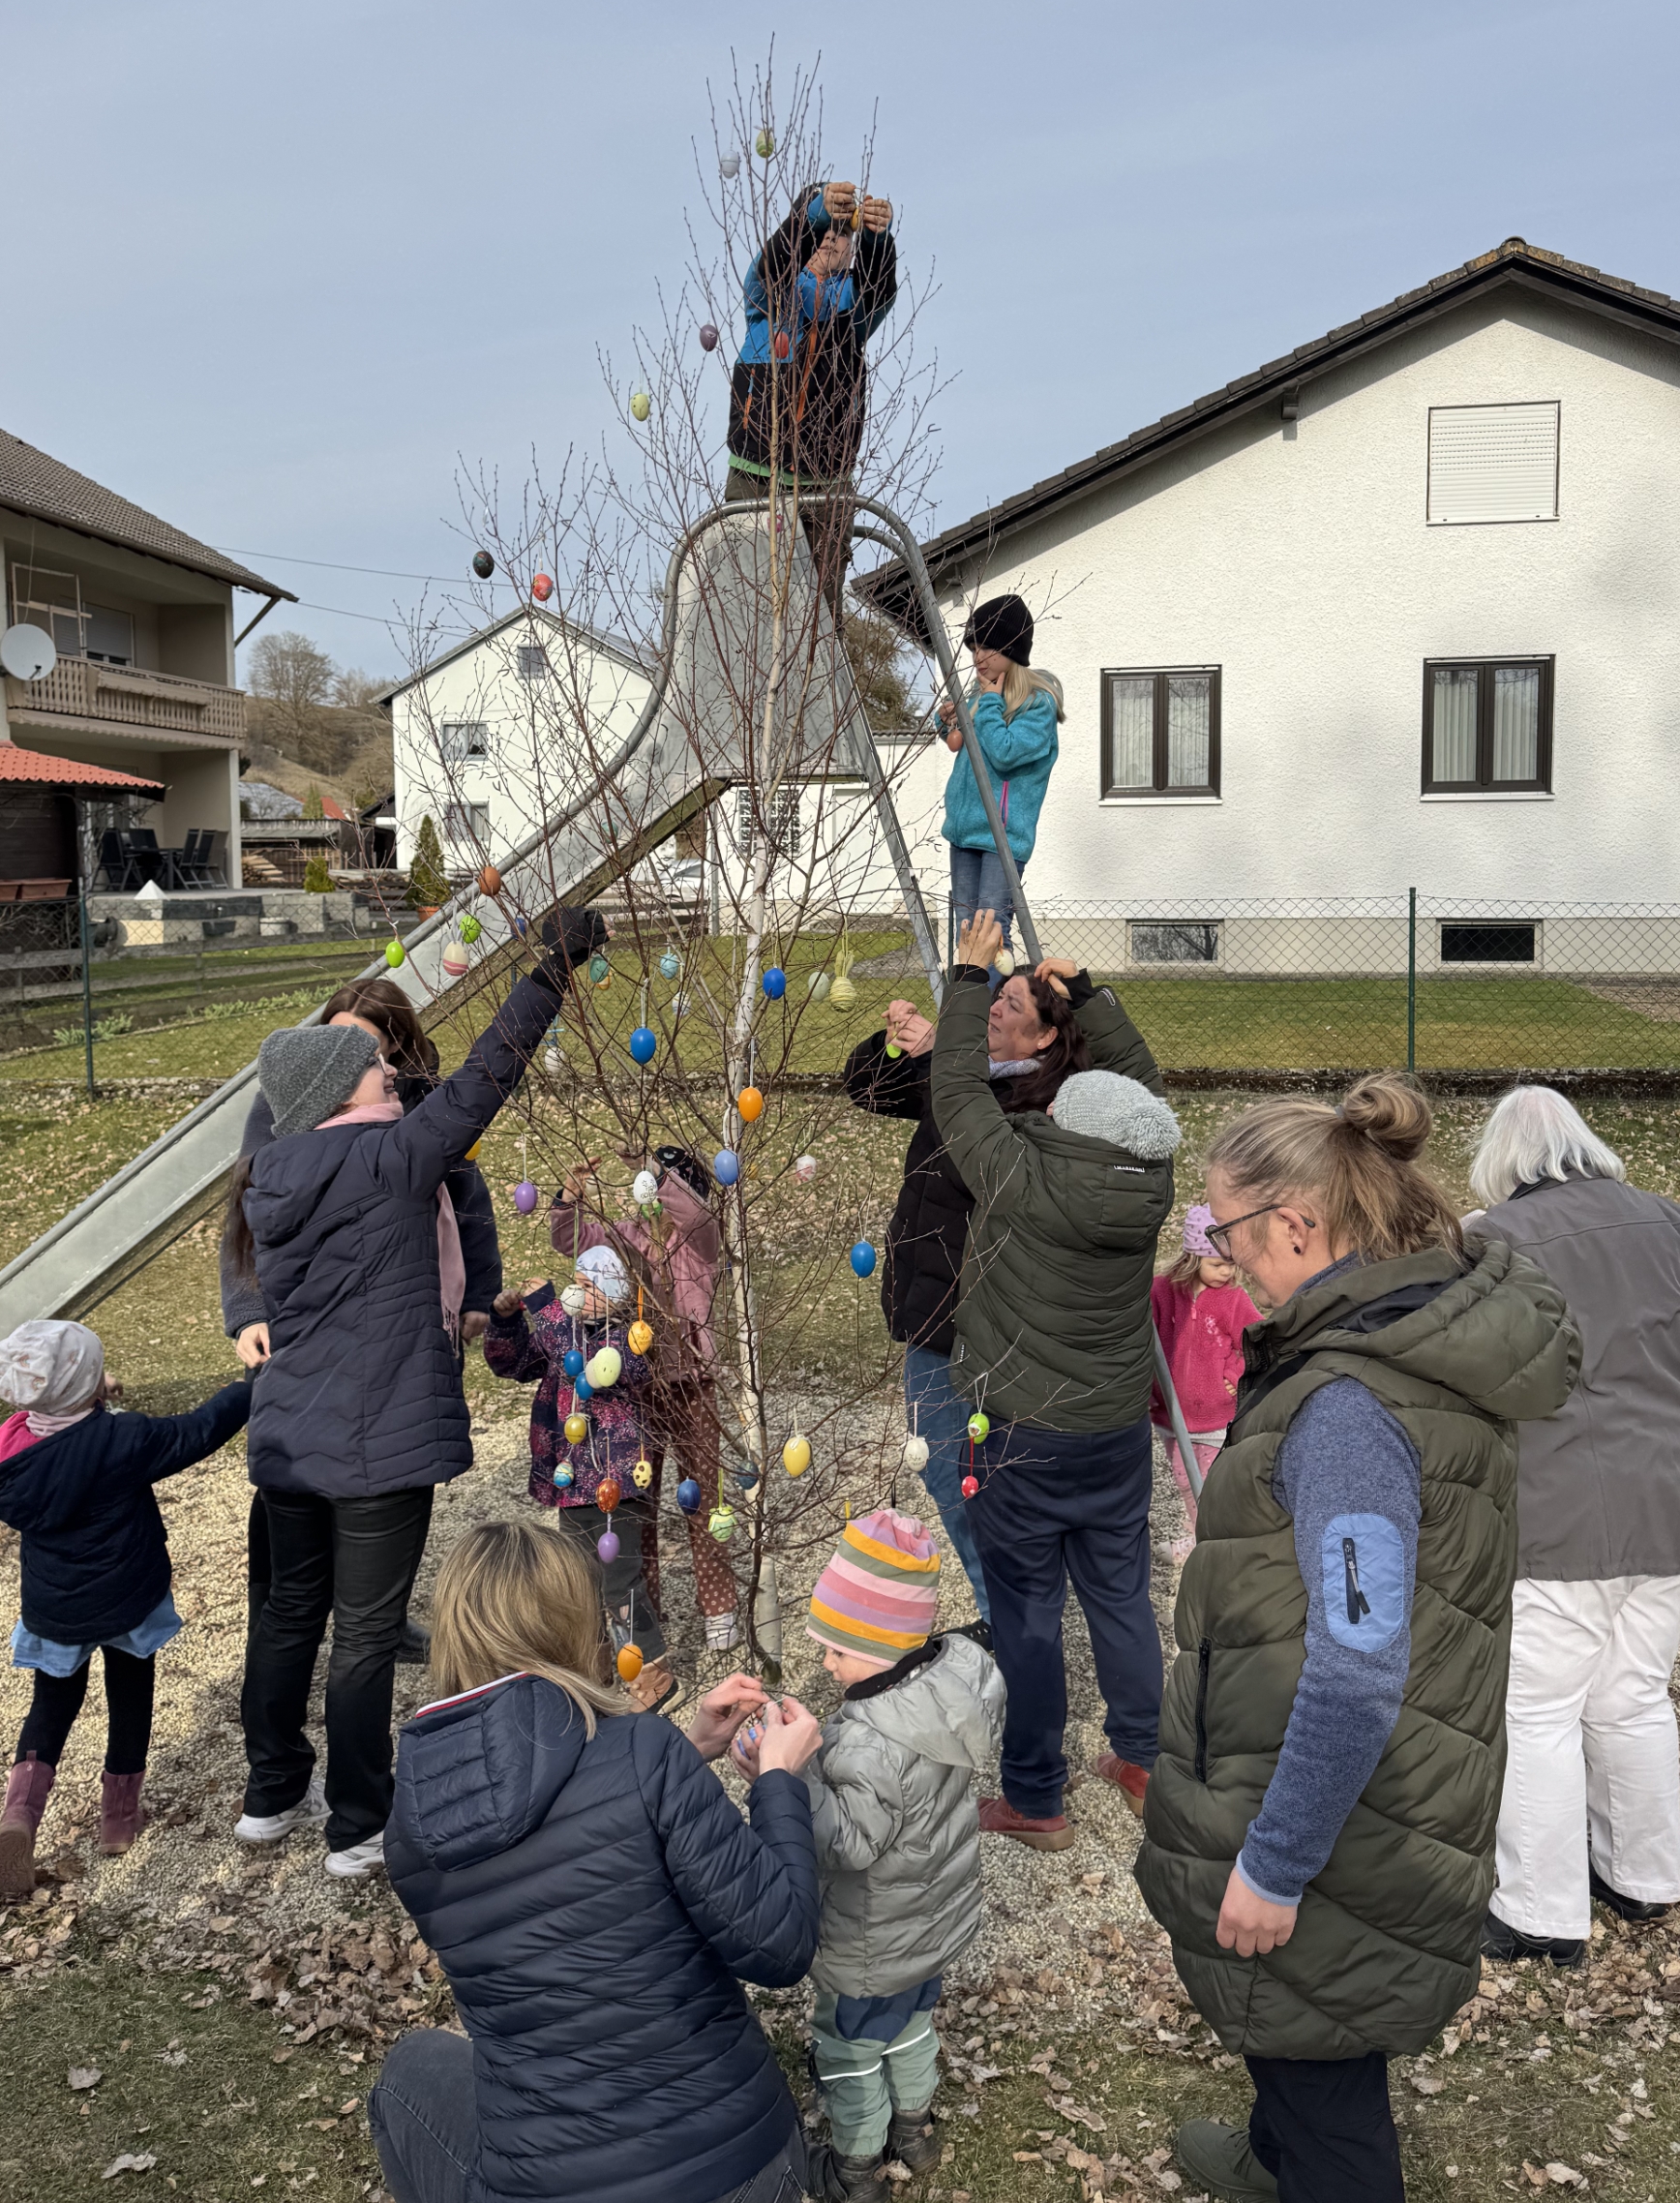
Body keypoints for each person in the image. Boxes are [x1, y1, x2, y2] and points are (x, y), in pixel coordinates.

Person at [1134, 1075, 1579, 2203]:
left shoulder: (1345, 1405)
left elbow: (1356, 1659)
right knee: (1309, 2015)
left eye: (1220, 1230)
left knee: (1314, 2026)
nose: (1216, 1258)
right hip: (1386, 1782)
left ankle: (1312, 2166)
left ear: (1296, 1223)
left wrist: (1275, 1863)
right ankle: (1270, 2152)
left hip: (1344, 1806)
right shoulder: (1402, 1329)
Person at [229, 912, 591, 1880]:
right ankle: (355, 1824)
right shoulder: (391, 1161)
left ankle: (270, 1793)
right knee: (366, 1632)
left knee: (288, 1607)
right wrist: (550, 970)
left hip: (291, 1430)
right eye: (366, 1066)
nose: (387, 1071)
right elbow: (484, 1078)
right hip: (377, 1436)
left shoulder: (273, 1172)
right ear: (328, 1090)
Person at [370, 1517, 823, 2203]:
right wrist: (779, 1783)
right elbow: (781, 1944)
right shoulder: (641, 1752)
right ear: (572, 1626)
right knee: (414, 2070)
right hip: (736, 2172)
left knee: (408, 2070)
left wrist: (682, 1752)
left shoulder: (412, 1826)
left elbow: (556, 1823)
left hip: (548, 2181)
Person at [930, 911, 1180, 1850]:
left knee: (1028, 1616)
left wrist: (962, 979)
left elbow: (954, 1089)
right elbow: (1145, 1091)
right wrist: (1093, 1004)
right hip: (1112, 1431)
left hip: (1023, 1429)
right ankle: (1142, 1755)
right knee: (1118, 1597)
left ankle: (1036, 1798)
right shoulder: (1148, 1175)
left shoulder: (1022, 1169)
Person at [845, 957, 1148, 1631]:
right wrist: (902, 1043)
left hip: (983, 1322)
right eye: (991, 999)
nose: (991, 1010)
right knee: (948, 1473)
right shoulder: (961, 1074)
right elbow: (865, 1087)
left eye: (1007, 1004)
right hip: (932, 1316)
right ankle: (1008, 1611)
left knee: (971, 1476)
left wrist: (949, 1058)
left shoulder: (1048, 1108)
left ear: (1042, 1038)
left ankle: (1008, 1619)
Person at [222, 974, 506, 1665]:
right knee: (303, 1475)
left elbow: (466, 1197)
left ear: (399, 1049)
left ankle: (376, 1609)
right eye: (343, 1044)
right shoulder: (288, 1101)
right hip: (319, 1316)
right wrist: (248, 1309)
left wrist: (475, 1294)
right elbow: (245, 1207)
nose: (360, 1061)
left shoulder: (418, 1106)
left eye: (373, 1048)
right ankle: (290, 1616)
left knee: (398, 1456)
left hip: (408, 1311)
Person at [1465, 1086, 1680, 1966]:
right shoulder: (1666, 1221)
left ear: (1502, 1161)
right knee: (1633, 1693)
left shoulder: (1491, 1240)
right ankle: (1646, 1876)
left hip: (1561, 1509)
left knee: (1538, 1707)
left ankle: (1541, 1912)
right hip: (1666, 1496)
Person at [735, 1508, 1003, 2203]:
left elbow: (849, 1841)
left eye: (837, 1650)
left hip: (868, 1944)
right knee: (913, 2024)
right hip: (926, 1929)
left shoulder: (866, 1742)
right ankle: (915, 2129)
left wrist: (782, 1777)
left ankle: (858, 2168)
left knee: (850, 2048)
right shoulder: (946, 1691)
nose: (825, 1663)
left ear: (882, 1648)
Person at [0, 1319, 250, 1893]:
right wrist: (252, 1384)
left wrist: (88, 1395)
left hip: (56, 1607)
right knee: (130, 1697)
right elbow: (199, 1429)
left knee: (51, 1705)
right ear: (88, 1389)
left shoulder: (13, 1448)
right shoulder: (126, 1439)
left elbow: (55, 1423)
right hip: (127, 1597)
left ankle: (19, 1816)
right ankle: (118, 1820)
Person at [549, 1144, 739, 1649]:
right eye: (648, 1192)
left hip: (692, 1381)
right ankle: (647, 1608)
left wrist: (650, 1169)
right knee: (639, 1502)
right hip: (638, 1387)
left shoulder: (698, 1241)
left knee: (704, 1495)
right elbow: (571, 1240)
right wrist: (571, 1193)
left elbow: (697, 1215)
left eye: (664, 1188)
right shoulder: (625, 1238)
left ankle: (718, 1608)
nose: (652, 1199)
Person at [484, 1245, 669, 1711]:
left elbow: (589, 1362)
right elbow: (514, 1363)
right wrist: (505, 1321)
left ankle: (651, 1672)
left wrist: (545, 1305)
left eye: (588, 1287)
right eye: (574, 1283)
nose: (574, 1292)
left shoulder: (627, 1338)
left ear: (613, 1295)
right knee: (578, 1581)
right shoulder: (559, 1333)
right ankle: (596, 1674)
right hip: (573, 1484)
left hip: (614, 1483)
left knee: (619, 1581)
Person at [725, 179, 896, 613]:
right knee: (740, 608)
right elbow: (772, 262)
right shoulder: (771, 294)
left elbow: (879, 288)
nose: (829, 239)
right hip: (754, 477)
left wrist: (877, 239)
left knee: (820, 621)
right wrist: (815, 213)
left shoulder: (853, 307)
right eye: (821, 231)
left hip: (827, 489)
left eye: (841, 233)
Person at [937, 595, 1063, 975]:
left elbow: (1005, 753)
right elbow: (959, 744)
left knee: (992, 936)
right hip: (965, 832)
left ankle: (991, 1024)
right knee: (966, 935)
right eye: (975, 648)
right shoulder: (980, 694)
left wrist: (989, 704)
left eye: (988, 646)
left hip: (1001, 838)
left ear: (1012, 648)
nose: (979, 656)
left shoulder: (1037, 704)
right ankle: (968, 1017)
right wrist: (949, 721)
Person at [1150, 1203, 1261, 1560]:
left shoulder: (1234, 1300)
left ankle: (1211, 1541)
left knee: (1212, 1485)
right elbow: (1143, 1334)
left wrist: (1234, 1374)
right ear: (1194, 1257)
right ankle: (1201, 1534)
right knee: (1184, 1479)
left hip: (1215, 1416)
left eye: (1232, 1264)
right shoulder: (1162, 1292)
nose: (1227, 1273)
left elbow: (1256, 1341)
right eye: (1218, 1264)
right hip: (1170, 1412)